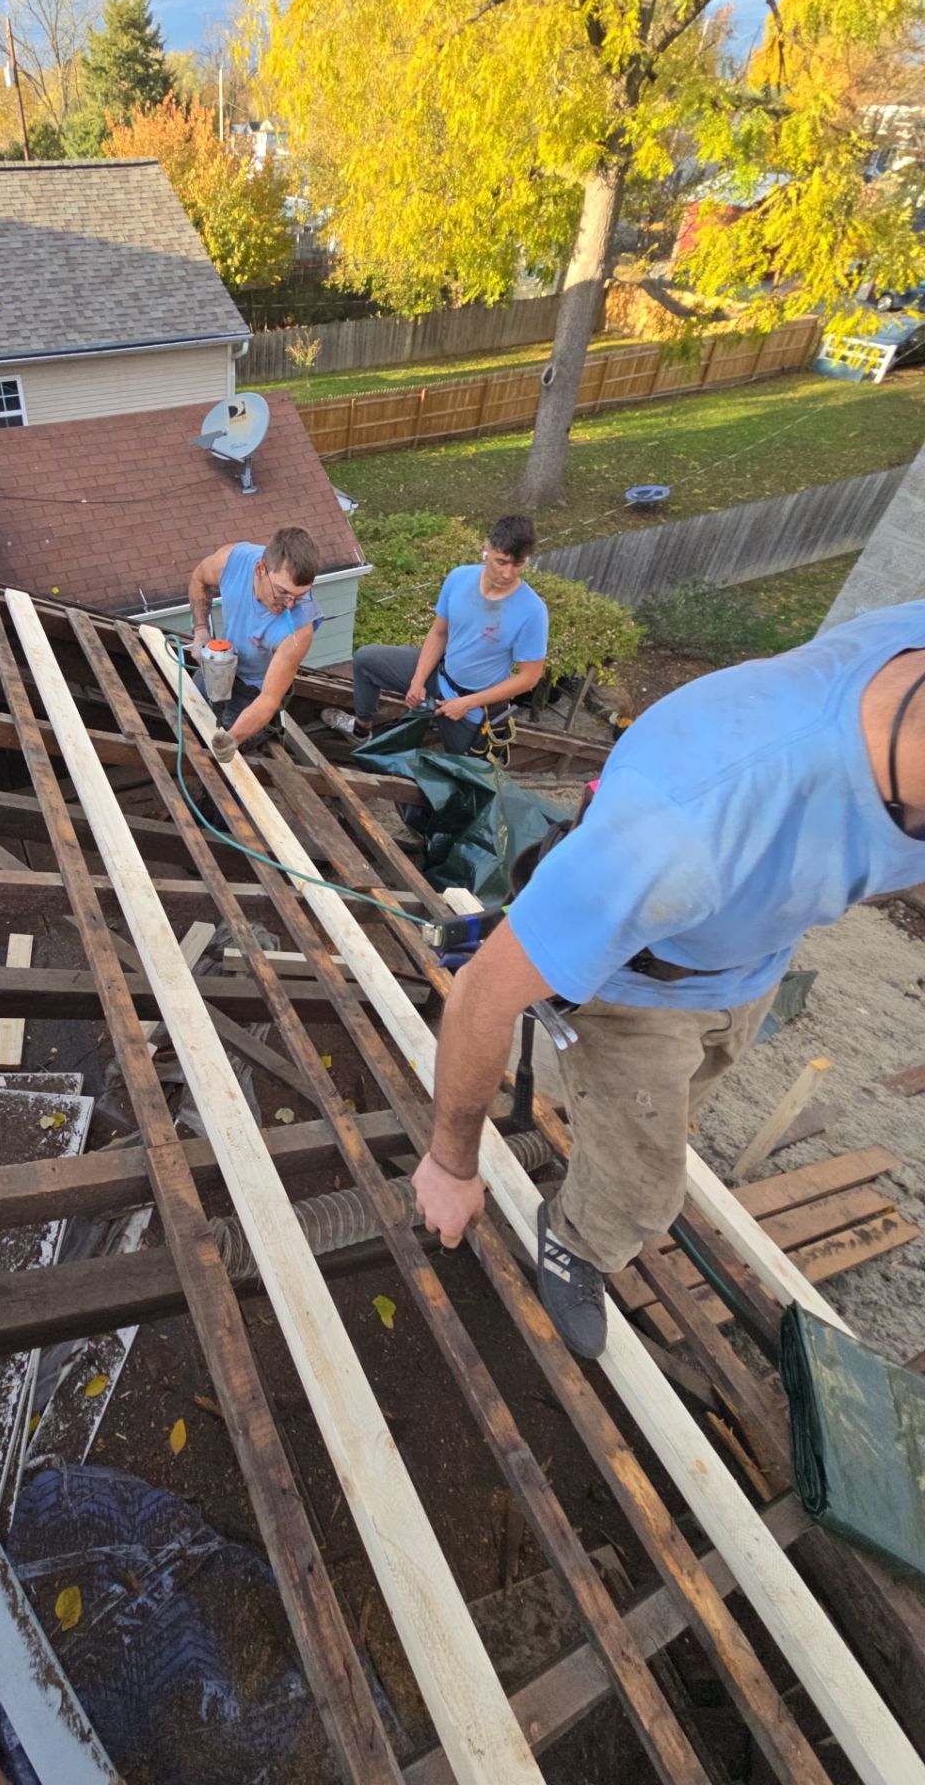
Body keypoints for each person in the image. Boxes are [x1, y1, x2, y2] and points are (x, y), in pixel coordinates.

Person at [409, 603, 925, 1359]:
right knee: (647, 1193)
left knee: (676, 1102)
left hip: (746, 962)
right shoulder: (689, 825)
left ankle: (590, 1106)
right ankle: (578, 1240)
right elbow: (485, 993)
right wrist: (452, 1165)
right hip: (642, 989)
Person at [323, 515, 549, 755]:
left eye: (518, 565)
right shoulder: (459, 578)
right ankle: (360, 730)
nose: (508, 573)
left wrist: (467, 703)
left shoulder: (532, 611)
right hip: (439, 675)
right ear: (486, 551)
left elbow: (529, 677)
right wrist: (418, 681)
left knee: (459, 774)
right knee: (366, 659)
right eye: (501, 562)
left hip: (473, 704)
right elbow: (439, 632)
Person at [188, 527, 323, 761]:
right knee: (190, 712)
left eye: (300, 596)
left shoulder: (299, 630)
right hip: (223, 664)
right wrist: (201, 631)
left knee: (225, 751)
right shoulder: (232, 562)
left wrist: (233, 739)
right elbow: (199, 579)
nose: (290, 605)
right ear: (260, 569)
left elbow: (268, 699)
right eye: (282, 592)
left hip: (256, 689)